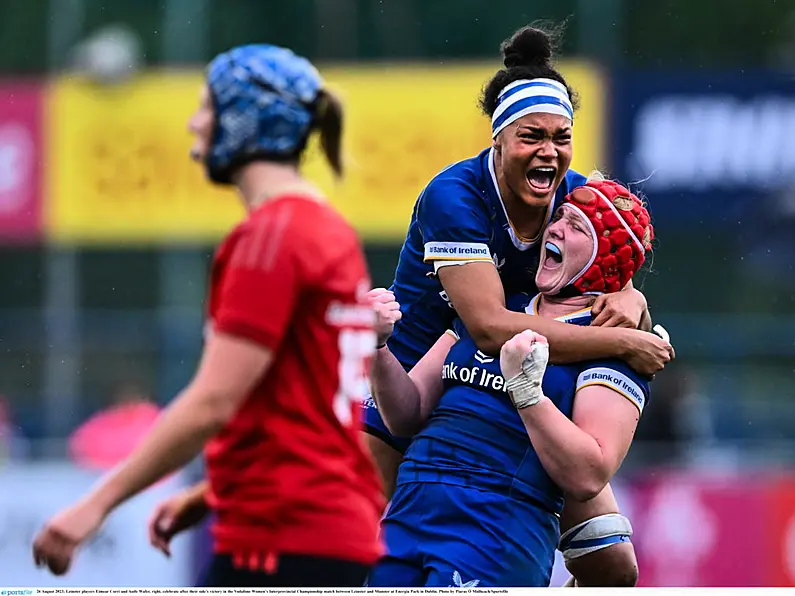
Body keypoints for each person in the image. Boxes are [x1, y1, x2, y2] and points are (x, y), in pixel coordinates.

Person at [31, 44, 384, 587]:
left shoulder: (271, 236)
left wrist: (94, 506)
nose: (195, 127)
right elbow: (303, 406)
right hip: (321, 531)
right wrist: (214, 491)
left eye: (207, 109)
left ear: (246, 120)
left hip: (282, 539)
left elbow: (213, 400)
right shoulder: (326, 228)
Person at [361, 23, 672, 586]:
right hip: (412, 379)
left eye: (562, 137)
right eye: (531, 136)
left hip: (510, 391)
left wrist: (630, 293)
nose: (548, 152)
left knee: (611, 562)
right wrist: (626, 338)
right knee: (359, 550)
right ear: (498, 140)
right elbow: (486, 327)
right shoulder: (454, 196)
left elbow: (611, 243)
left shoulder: (570, 195)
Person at [366, 178, 658, 587]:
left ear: (603, 259)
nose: (554, 228)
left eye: (576, 227)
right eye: (559, 216)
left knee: (612, 564)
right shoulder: (501, 310)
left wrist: (528, 394)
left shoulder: (615, 350)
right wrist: (377, 348)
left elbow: (589, 474)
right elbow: (406, 414)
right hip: (412, 507)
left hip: (495, 522)